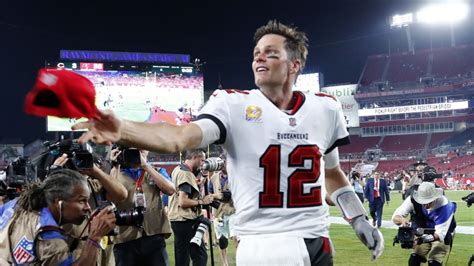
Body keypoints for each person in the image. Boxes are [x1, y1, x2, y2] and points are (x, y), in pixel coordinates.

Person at [73, 20, 384, 264]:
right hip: (265, 244)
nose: (260, 57)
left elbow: (331, 173)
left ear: (294, 65)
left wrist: (358, 218)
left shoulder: (325, 108)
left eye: (271, 52)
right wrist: (123, 129)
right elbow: (180, 137)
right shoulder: (231, 105)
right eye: (256, 53)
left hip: (318, 238)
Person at [0, 168, 116, 265]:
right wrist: (94, 237)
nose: (88, 208)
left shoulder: (18, 203)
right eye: (82, 201)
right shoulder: (49, 238)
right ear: (59, 203)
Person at [52, 153, 128, 266]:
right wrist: (54, 176)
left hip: (102, 257)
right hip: (77, 255)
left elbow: (121, 194)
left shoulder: (93, 185)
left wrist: (95, 170)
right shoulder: (57, 191)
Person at [110, 148, 175, 266]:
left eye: (142, 149)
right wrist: (115, 166)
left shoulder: (156, 171)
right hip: (125, 238)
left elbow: (170, 190)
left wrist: (145, 166)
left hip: (154, 235)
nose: (139, 153)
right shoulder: (115, 172)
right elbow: (110, 198)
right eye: (135, 150)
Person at [392, 182, 456, 266]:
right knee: (414, 260)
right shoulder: (412, 199)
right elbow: (395, 217)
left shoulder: (445, 206)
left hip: (442, 233)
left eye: (428, 201)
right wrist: (402, 220)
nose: (425, 205)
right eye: (422, 201)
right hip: (424, 231)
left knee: (434, 262)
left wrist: (419, 240)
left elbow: (439, 235)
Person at [168, 149, 214, 266]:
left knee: (182, 256)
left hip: (177, 219)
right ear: (194, 157)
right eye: (202, 160)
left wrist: (197, 184)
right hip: (185, 219)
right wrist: (201, 201)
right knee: (199, 256)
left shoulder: (178, 169)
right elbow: (183, 201)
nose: (203, 163)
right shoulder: (185, 174)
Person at [209, 156, 235, 266]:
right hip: (219, 214)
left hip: (233, 211)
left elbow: (228, 196)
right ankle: (225, 264)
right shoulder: (213, 178)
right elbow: (209, 195)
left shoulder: (235, 177)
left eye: (224, 162)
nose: (222, 164)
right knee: (222, 241)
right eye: (220, 162)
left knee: (237, 238)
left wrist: (215, 196)